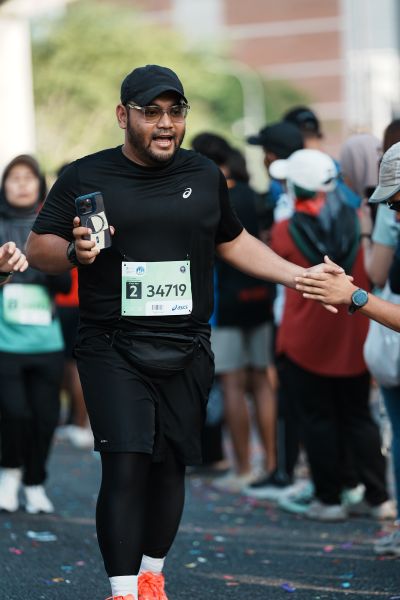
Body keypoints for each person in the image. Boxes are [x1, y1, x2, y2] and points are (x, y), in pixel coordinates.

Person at [25, 64, 343, 600]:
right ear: (123, 116)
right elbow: (39, 248)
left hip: (187, 344)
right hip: (111, 345)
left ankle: (152, 577)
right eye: (152, 112)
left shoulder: (204, 174)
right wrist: (75, 252)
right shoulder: (85, 175)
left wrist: (299, 276)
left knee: (171, 467)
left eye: (175, 112)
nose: (166, 123)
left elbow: (233, 240)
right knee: (126, 463)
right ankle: (123, 592)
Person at [191, 133, 277, 493]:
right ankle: (271, 465)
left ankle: (242, 467)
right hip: (261, 298)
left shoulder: (209, 196)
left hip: (224, 303)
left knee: (232, 384)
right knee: (262, 381)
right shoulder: (253, 194)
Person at [0, 154, 69, 514]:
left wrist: (43, 261)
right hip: (5, 341)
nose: (23, 184)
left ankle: (35, 481)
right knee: (13, 413)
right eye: (15, 177)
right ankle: (9, 474)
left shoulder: (51, 226)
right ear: (4, 185)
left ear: (40, 185)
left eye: (29, 177)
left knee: (45, 417)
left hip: (46, 340)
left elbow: (64, 282)